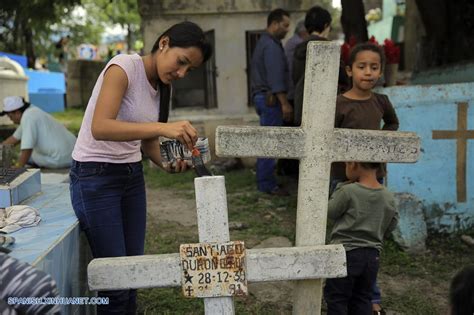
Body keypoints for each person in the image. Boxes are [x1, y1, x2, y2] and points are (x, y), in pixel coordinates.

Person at [69, 21, 212, 314]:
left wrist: (168, 164)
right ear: (163, 43)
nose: (182, 73)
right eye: (181, 62)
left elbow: (147, 142)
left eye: (190, 70)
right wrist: (165, 127)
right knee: (116, 282)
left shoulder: (162, 86)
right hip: (95, 177)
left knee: (133, 275)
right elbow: (100, 127)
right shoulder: (123, 68)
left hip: (132, 177)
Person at [331, 42, 400, 314]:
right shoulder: (339, 104)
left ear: (381, 71)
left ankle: (372, 299)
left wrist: (381, 141)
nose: (368, 72)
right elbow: (329, 136)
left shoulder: (381, 102)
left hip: (373, 181)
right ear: (349, 70)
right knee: (344, 238)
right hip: (344, 180)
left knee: (371, 243)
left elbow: (393, 123)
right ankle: (340, 291)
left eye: (374, 67)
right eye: (362, 67)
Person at [324, 162, 399, 315]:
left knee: (337, 298)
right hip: (372, 257)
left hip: (345, 254)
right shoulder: (388, 196)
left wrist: (339, 187)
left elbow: (330, 211)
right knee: (362, 298)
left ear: (353, 164)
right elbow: (392, 223)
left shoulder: (347, 190)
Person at [250, 8, 292, 195]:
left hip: (263, 97)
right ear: (274, 24)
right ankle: (267, 184)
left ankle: (266, 180)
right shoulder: (271, 46)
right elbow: (276, 79)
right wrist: (284, 103)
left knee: (267, 141)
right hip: (270, 99)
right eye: (284, 26)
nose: (286, 30)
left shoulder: (266, 43)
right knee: (269, 142)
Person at [292, 5, 349, 126]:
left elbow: (295, 77)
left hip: (301, 107)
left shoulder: (298, 48)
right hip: (323, 110)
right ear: (325, 26)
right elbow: (343, 77)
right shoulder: (328, 48)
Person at [1, 96, 76, 169]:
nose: (11, 120)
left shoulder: (28, 117)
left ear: (17, 112)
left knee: (23, 156)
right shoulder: (32, 112)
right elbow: (14, 139)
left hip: (59, 159)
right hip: (74, 156)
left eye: (10, 116)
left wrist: (18, 167)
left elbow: (27, 149)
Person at [277, 20, 308, 178]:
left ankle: (285, 169)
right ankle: (288, 170)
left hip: (290, 93)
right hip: (292, 94)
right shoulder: (298, 44)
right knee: (291, 136)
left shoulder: (292, 42)